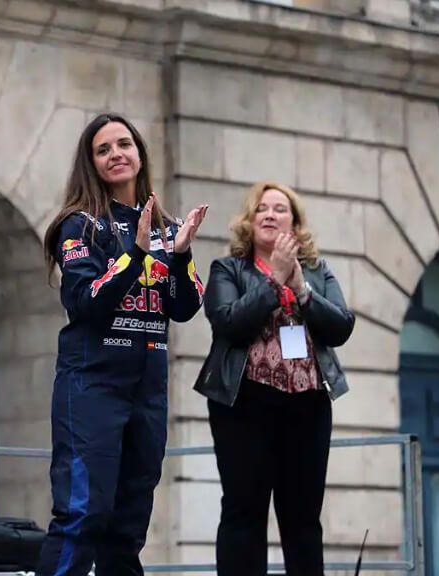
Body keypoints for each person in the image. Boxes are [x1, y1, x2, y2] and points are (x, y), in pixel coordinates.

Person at [36, 113, 209, 576]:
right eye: (103, 149)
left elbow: (186, 307)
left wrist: (181, 254)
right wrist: (134, 253)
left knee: (128, 527)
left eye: (123, 144)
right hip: (91, 385)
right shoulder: (81, 225)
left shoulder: (168, 226)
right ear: (90, 163)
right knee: (82, 515)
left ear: (139, 153)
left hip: (147, 390)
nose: (116, 155)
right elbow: (85, 301)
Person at [195, 182, 355, 576]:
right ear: (249, 221)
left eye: (279, 209)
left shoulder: (317, 272)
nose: (269, 214)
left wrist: (300, 287)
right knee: (244, 512)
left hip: (307, 405)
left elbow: (341, 327)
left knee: (302, 518)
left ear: (295, 223)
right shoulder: (228, 269)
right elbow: (228, 322)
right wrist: (273, 281)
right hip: (244, 404)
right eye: (261, 209)